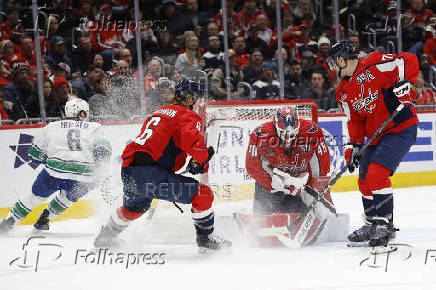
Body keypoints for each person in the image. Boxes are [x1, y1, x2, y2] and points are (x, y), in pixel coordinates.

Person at [93, 78, 232, 253]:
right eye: (198, 98)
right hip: (149, 173)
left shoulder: (159, 112)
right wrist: (204, 155)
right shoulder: (189, 115)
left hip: (129, 169)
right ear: (190, 98)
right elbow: (193, 145)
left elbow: (163, 144)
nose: (200, 103)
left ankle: (105, 237)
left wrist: (194, 161)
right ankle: (206, 240)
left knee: (135, 208)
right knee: (203, 194)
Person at [327, 40, 420, 247]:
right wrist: (354, 144)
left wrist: (406, 84)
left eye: (334, 62)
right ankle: (371, 223)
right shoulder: (342, 91)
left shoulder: (374, 62)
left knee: (377, 174)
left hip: (400, 128)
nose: (332, 67)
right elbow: (355, 120)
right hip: (376, 136)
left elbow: (407, 60)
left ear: (342, 60)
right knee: (364, 179)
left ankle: (385, 224)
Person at [0, 99, 112, 233]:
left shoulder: (52, 126)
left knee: (34, 198)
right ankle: (45, 217)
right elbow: (103, 150)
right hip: (84, 175)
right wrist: (99, 169)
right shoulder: (96, 127)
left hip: (54, 171)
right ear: (82, 113)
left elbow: (34, 154)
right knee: (67, 198)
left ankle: (10, 221)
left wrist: (49, 159)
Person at [242, 106, 334, 246]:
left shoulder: (312, 131)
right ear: (275, 126)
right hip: (268, 188)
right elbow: (251, 166)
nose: (288, 139)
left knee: (301, 225)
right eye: (284, 134)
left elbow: (323, 166)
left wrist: (309, 188)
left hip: (297, 190)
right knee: (261, 230)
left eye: (292, 134)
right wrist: (270, 181)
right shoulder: (260, 134)